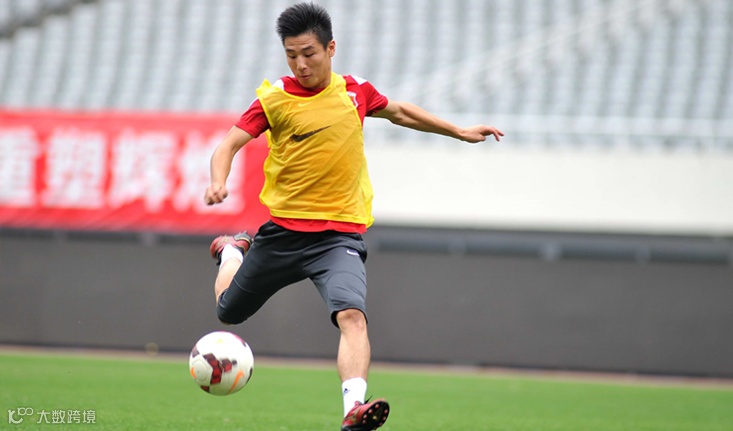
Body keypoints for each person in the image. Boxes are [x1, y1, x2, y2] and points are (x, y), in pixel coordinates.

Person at [203, 3, 503, 430]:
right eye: (291, 55)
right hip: (283, 233)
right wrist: (218, 181)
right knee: (228, 312)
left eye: (309, 53)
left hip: (338, 239)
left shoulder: (354, 92)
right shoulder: (274, 99)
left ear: (331, 48)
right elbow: (228, 145)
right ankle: (232, 252)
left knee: (352, 316)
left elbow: (399, 112)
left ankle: (353, 410)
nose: (301, 64)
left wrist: (457, 130)